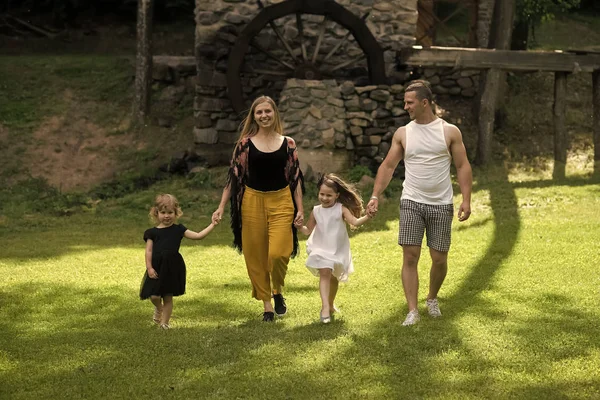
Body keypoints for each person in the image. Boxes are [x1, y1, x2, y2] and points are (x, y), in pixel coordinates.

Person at [366, 80, 472, 326]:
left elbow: (462, 166)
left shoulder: (449, 132)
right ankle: (412, 310)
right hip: (412, 200)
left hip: (441, 203)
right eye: (405, 102)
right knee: (410, 256)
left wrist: (466, 200)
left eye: (409, 102)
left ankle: (432, 298)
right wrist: (375, 195)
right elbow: (389, 166)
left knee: (439, 258)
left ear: (425, 103)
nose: (405, 107)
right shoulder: (403, 133)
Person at [212, 96, 304, 322]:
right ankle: (267, 305)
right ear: (254, 116)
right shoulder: (244, 144)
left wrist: (300, 209)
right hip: (251, 202)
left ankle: (277, 290)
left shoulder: (288, 143)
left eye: (267, 112)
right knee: (256, 256)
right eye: (259, 112)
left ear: (275, 114)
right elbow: (233, 178)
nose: (264, 116)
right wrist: (221, 206)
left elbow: (295, 178)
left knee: (279, 253)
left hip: (282, 200)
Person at [295, 173, 371, 324]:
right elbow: (308, 230)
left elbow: (354, 222)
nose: (324, 198)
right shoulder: (316, 211)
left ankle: (330, 305)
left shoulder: (341, 209)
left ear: (337, 195)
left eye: (329, 195)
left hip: (336, 249)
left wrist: (368, 216)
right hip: (320, 248)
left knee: (333, 278)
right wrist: (299, 227)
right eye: (322, 194)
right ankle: (324, 308)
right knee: (325, 273)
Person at [140, 193, 215, 329]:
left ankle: (164, 323)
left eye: (170, 212)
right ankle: (159, 308)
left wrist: (213, 224)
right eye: (163, 212)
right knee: (154, 296)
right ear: (156, 213)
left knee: (168, 296)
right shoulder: (151, 232)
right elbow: (148, 251)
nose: (167, 216)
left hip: (172, 267)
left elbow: (198, 236)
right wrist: (149, 268)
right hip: (156, 267)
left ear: (176, 213)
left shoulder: (178, 229)